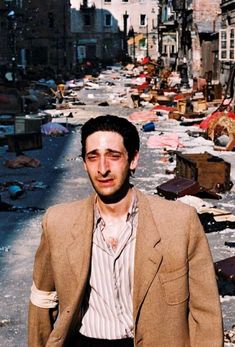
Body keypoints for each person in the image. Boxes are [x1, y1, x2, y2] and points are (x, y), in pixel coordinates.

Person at [28, 115, 223, 347]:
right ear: (84, 163)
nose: (103, 169)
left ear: (133, 160)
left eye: (113, 156)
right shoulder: (59, 222)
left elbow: (205, 311)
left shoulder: (179, 222)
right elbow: (43, 299)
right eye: (93, 157)